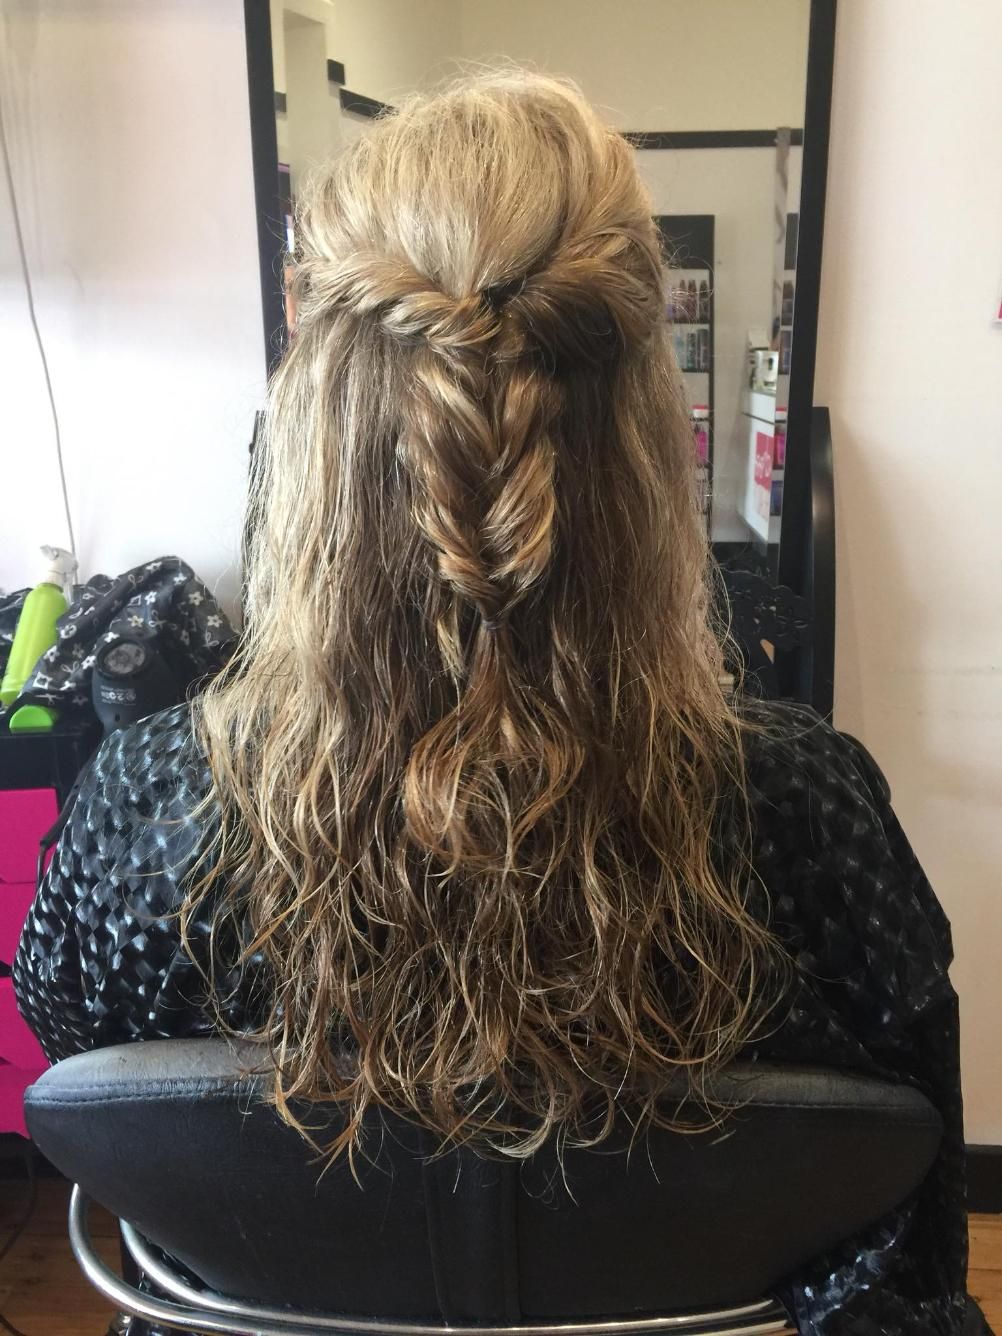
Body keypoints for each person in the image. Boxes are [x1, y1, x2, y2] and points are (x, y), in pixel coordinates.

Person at [14, 73, 988, 1336]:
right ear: (648, 426)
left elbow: (91, 1080)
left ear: (313, 411)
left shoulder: (152, 811)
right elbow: (905, 1221)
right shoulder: (803, 815)